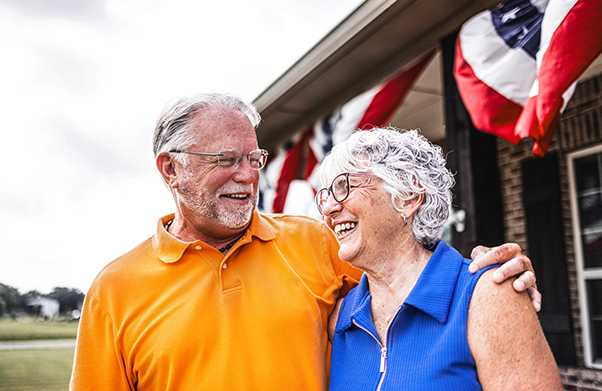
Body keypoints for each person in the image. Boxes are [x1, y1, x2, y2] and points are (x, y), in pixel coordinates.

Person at [70, 93, 539, 391]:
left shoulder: (316, 243)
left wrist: (494, 270)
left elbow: (408, 268)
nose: (249, 175)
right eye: (227, 159)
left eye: (254, 157)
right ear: (171, 169)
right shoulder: (114, 290)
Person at [317, 127, 562, 390]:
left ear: (408, 197)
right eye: (326, 195)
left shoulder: (486, 295)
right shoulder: (341, 320)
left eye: (344, 186)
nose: (329, 209)